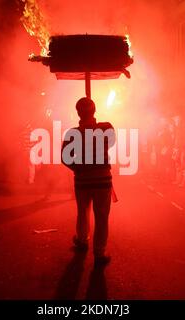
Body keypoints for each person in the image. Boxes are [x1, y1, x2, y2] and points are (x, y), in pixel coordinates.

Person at [61, 97, 115, 267]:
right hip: (103, 180)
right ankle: (99, 252)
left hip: (82, 180)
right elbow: (111, 143)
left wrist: (78, 168)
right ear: (94, 110)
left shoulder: (72, 133)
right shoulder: (106, 127)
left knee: (82, 212)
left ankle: (82, 240)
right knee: (101, 217)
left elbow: (65, 157)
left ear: (78, 112)